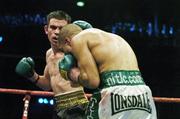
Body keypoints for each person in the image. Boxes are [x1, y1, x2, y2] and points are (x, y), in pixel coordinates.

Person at [57, 24, 157, 119]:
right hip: (143, 94)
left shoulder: (77, 39)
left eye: (64, 51)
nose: (67, 56)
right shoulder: (114, 38)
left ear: (67, 41)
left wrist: (73, 74)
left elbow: (92, 81)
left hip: (115, 94)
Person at [15, 10, 92, 119]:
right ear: (46, 29)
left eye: (61, 28)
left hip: (77, 106)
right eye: (53, 27)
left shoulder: (74, 51)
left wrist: (89, 37)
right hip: (58, 107)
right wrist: (31, 75)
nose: (57, 32)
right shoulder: (49, 54)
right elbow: (47, 84)